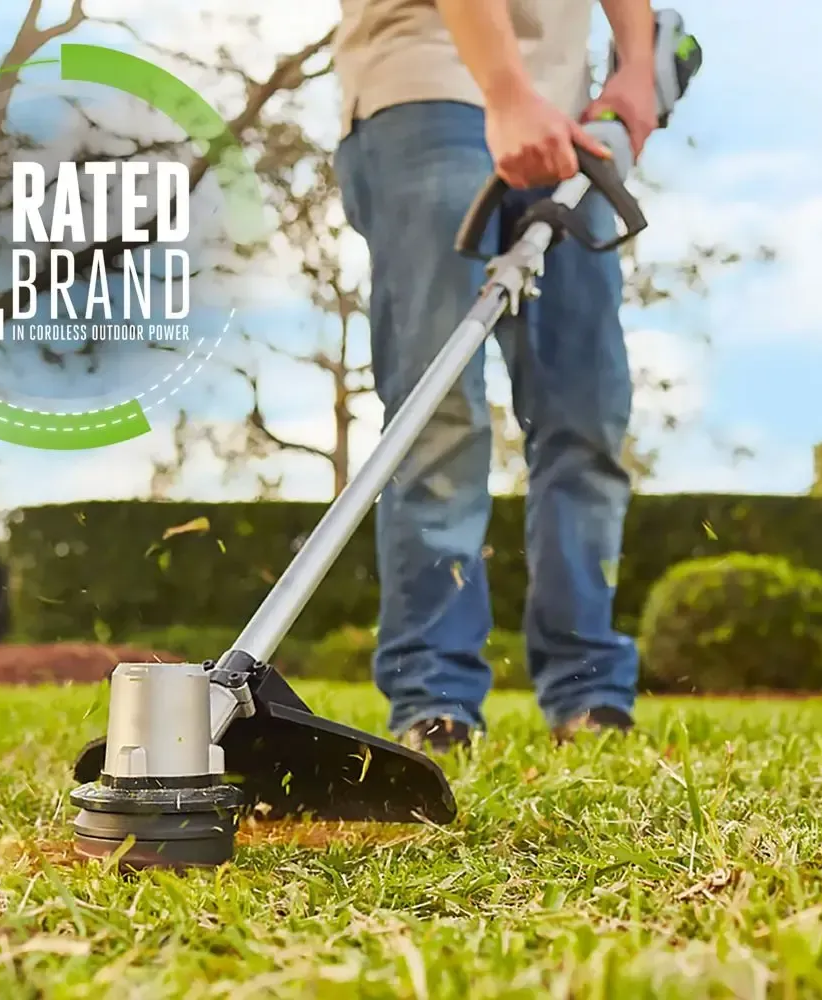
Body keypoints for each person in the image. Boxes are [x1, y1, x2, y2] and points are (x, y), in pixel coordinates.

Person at [332, 0, 658, 750]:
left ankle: (590, 693)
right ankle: (434, 699)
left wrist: (636, 66)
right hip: (427, 80)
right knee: (436, 412)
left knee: (587, 412)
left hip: (572, 111)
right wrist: (506, 91)